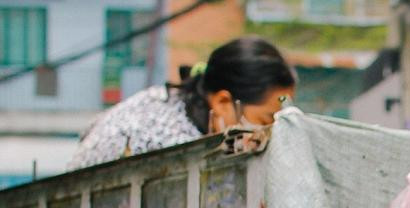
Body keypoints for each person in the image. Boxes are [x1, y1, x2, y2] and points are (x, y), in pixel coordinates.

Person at [68, 36, 295, 170]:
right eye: (266, 121)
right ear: (223, 102)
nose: (270, 134)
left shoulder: (164, 98)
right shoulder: (179, 145)